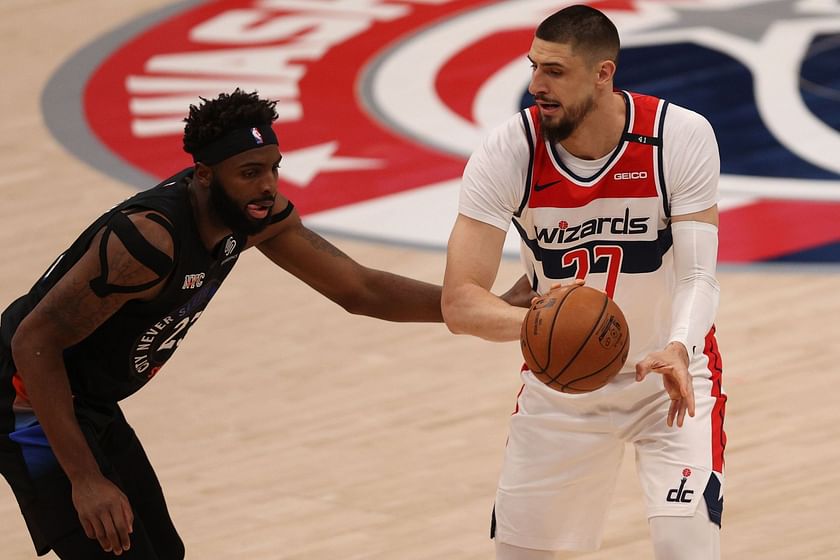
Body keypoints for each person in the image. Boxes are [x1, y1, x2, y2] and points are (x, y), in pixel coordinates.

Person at [0, 89, 531, 559]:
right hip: (24, 396)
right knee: (112, 542)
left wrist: (477, 303)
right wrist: (85, 477)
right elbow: (34, 341)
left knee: (164, 551)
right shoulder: (148, 243)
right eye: (249, 172)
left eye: (273, 167)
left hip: (81, 396)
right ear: (204, 177)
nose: (268, 186)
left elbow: (358, 288)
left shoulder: (256, 217)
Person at [441, 5, 725, 560]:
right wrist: (552, 330)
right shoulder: (509, 152)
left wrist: (679, 345)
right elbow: (461, 303)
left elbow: (698, 274)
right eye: (533, 67)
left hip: (670, 378)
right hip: (560, 389)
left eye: (554, 71)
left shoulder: (680, 137)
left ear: (603, 73)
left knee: (684, 546)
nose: (535, 85)